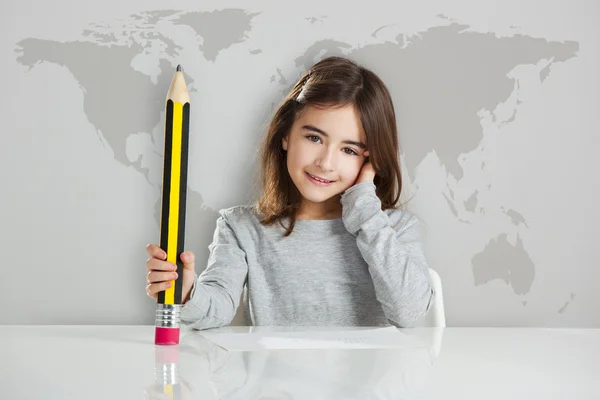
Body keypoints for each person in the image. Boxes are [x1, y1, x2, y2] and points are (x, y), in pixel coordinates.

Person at [145, 56, 434, 330]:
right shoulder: (242, 227)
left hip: (364, 382)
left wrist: (365, 208)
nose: (325, 163)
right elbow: (217, 308)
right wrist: (186, 293)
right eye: (314, 138)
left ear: (370, 159)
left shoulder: (392, 229)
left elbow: (410, 313)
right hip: (272, 381)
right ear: (286, 135)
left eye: (349, 150)